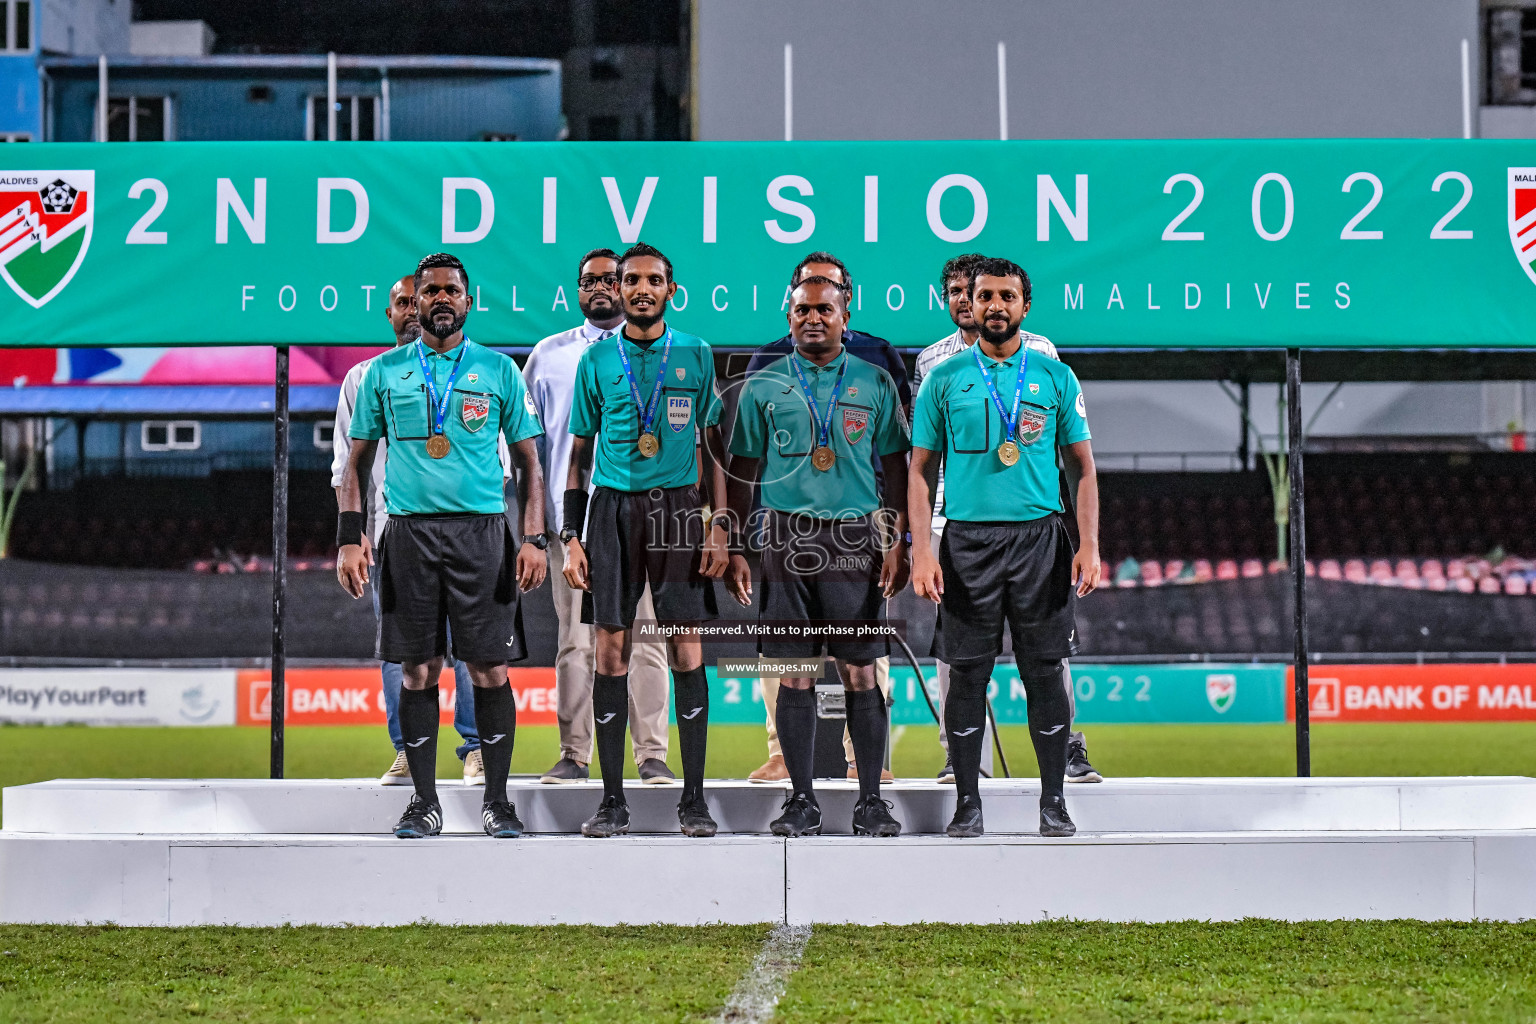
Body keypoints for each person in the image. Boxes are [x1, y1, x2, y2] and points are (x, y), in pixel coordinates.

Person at [337, 253, 548, 839]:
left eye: (452, 290)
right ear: (418, 300)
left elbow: (530, 463)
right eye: (430, 291)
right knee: (417, 670)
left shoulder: (500, 370)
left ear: (468, 300)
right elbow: (354, 464)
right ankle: (424, 803)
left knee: (489, 668)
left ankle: (497, 802)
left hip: (481, 534)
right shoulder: (382, 372)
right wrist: (349, 538)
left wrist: (533, 538)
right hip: (407, 534)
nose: (441, 300)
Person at [909, 257, 1102, 839]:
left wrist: (1088, 545)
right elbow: (919, 473)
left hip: (1041, 541)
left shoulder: (1055, 376)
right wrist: (923, 551)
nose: (994, 305)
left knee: (1044, 672)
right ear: (969, 301)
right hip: (967, 543)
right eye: (984, 295)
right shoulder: (943, 379)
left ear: (1025, 305)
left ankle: (1053, 802)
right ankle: (968, 803)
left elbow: (1084, 469)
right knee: (966, 675)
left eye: (1007, 296)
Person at [724, 275, 910, 836]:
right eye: (802, 309)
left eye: (824, 309)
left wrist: (897, 540)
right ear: (789, 316)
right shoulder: (765, 384)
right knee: (795, 674)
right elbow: (743, 470)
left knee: (859, 672)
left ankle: (870, 800)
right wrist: (736, 545)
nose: (812, 318)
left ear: (844, 314)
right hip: (784, 537)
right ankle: (801, 801)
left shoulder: (875, 380)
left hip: (855, 537)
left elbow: (898, 468)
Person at [561, 241, 730, 839]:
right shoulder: (597, 361)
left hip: (680, 511)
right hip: (611, 511)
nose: (640, 289)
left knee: (686, 651)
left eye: (652, 280)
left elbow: (713, 447)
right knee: (610, 652)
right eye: (630, 280)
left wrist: (719, 523)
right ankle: (612, 801)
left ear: (670, 290)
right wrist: (570, 536)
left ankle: (694, 799)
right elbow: (578, 458)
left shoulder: (695, 353)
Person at [525, 248, 675, 786]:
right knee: (575, 642)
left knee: (650, 639)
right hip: (576, 529)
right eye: (589, 280)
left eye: (612, 279)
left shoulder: (665, 352)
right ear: (577, 289)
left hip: (648, 521)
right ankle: (574, 754)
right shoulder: (548, 355)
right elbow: (530, 452)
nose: (601, 288)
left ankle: (652, 754)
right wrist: (539, 531)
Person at [331, 274, 485, 787]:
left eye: (416, 301)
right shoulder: (363, 378)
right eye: (402, 302)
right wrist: (353, 535)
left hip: (466, 534)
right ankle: (406, 749)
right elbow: (346, 470)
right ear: (392, 312)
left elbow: (496, 465)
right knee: (401, 651)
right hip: (391, 535)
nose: (413, 311)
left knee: (468, 648)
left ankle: (475, 749)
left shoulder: (475, 372)